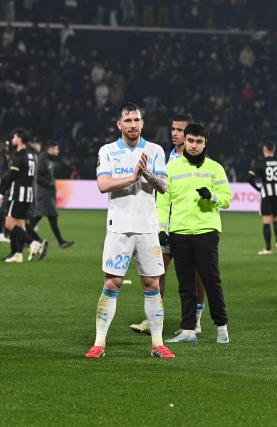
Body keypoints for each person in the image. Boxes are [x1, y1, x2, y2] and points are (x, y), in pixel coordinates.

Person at [85, 102, 174, 359]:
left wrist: (146, 174)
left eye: (137, 120)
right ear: (119, 125)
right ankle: (99, 343)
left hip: (147, 228)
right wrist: (133, 178)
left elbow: (164, 186)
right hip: (119, 228)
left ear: (142, 123)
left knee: (151, 283)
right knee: (112, 283)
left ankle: (157, 344)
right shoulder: (108, 151)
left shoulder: (155, 151)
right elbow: (103, 185)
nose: (133, 125)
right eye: (128, 121)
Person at [129, 113, 207, 336]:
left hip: (188, 225)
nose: (174, 133)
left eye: (180, 130)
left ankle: (197, 319)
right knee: (156, 271)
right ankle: (151, 320)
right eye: (173, 129)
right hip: (164, 224)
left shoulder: (198, 161)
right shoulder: (165, 156)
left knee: (195, 274)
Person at [159, 123, 232, 344]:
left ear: (205, 143)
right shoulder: (170, 169)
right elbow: (162, 202)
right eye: (190, 140)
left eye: (199, 141)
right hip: (179, 232)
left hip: (206, 231)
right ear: (184, 141)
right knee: (185, 284)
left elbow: (227, 198)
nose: (193, 145)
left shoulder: (215, 168)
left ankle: (221, 328)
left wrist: (212, 196)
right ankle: (188, 329)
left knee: (211, 281)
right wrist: (162, 229)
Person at [0, 128, 47, 263]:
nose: (12, 139)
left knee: (8, 222)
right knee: (20, 224)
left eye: (14, 137)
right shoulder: (32, 155)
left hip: (18, 193)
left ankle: (32, 243)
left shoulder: (19, 155)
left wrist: (1, 189)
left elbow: (12, 175)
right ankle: (17, 254)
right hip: (28, 193)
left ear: (19, 139)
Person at [29, 141, 74, 248]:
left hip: (48, 194)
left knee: (48, 218)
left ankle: (61, 242)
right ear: (50, 149)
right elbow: (37, 176)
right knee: (41, 217)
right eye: (56, 148)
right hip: (44, 194)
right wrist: (48, 183)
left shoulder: (47, 159)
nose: (58, 151)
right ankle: (25, 238)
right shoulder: (43, 159)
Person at [247, 142, 277, 255]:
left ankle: (268, 248)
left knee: (267, 221)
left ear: (265, 150)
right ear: (274, 150)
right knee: (276, 218)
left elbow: (249, 178)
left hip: (266, 194)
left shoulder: (261, 163)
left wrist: (258, 189)